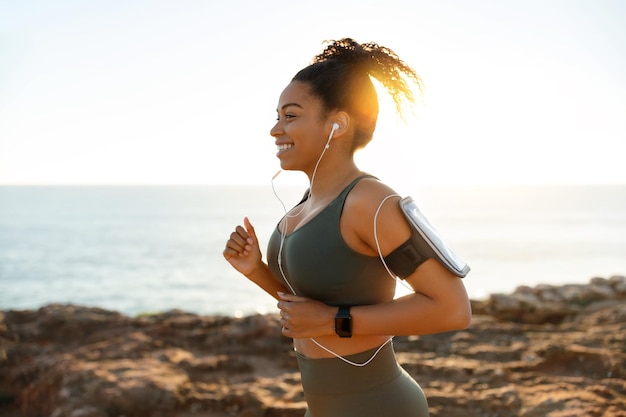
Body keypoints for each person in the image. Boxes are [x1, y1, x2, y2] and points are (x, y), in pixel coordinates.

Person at [223, 38, 471, 417]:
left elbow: (453, 309)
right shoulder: (306, 204)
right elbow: (309, 314)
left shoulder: (371, 202)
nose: (275, 129)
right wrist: (256, 270)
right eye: (277, 116)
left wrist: (335, 320)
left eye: (290, 115)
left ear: (337, 124)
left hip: (379, 406)